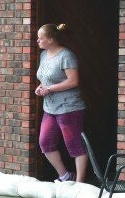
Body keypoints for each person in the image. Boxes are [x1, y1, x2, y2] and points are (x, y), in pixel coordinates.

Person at [35, 22, 87, 183]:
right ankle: (65, 176)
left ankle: (79, 184)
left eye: (40, 38)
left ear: (50, 40)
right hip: (50, 108)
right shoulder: (44, 55)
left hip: (69, 108)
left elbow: (73, 81)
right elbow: (46, 79)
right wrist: (41, 87)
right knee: (45, 143)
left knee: (75, 146)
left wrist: (49, 89)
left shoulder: (66, 56)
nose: (37, 41)